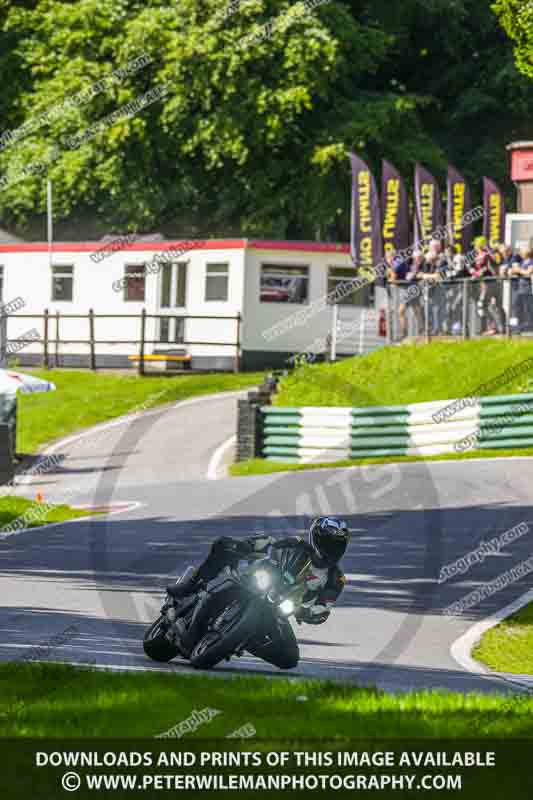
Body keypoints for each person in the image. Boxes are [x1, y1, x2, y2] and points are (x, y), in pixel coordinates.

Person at [167, 517, 350, 668]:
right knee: (223, 545)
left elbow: (324, 608)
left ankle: (243, 638)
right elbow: (270, 544)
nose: (332, 549)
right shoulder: (296, 544)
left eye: (338, 545)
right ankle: (190, 585)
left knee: (289, 659)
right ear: (316, 538)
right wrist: (249, 546)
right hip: (255, 581)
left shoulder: (335, 578)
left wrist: (305, 611)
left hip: (278, 607)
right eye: (328, 542)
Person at [510, 247, 533, 333]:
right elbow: (518, 271)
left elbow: (529, 272)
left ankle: (530, 326)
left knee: (528, 307)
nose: (520, 254)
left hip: (527, 288)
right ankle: (515, 327)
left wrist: (519, 270)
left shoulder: (531, 261)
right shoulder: (523, 262)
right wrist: (514, 271)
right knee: (515, 306)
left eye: (522, 252)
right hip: (520, 287)